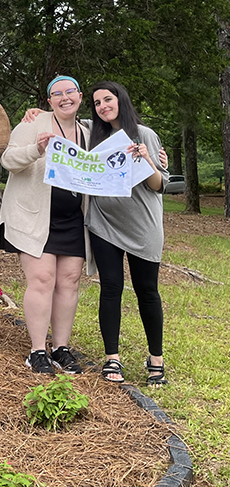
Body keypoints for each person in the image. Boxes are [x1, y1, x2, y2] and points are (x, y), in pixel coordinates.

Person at [0, 76, 90, 375]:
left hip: (73, 219)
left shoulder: (89, 131)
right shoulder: (32, 123)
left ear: (79, 96)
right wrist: (36, 150)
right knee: (41, 279)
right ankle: (37, 351)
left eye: (70, 92)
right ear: (49, 101)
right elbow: (8, 160)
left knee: (69, 282)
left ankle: (61, 348)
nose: (65, 98)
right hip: (35, 216)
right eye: (57, 94)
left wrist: (156, 160)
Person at [86, 81, 169, 386]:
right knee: (111, 288)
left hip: (142, 224)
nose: (103, 106)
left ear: (121, 99)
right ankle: (112, 359)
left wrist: (147, 161)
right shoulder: (94, 136)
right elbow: (63, 120)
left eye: (108, 99)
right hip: (104, 222)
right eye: (96, 103)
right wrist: (34, 114)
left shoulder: (143, 134)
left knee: (147, 290)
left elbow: (161, 185)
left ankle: (156, 360)